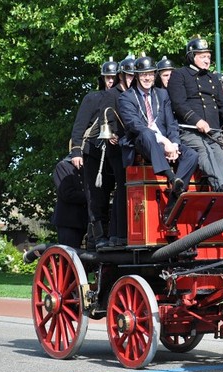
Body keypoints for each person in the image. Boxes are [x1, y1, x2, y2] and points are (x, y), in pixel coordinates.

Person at [119, 55, 198, 221]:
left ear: (154, 75)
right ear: (137, 76)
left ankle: (175, 198)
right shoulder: (126, 97)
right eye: (143, 74)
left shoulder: (162, 95)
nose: (147, 78)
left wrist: (174, 144)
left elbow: (171, 123)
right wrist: (164, 141)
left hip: (166, 142)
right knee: (147, 133)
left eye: (150, 74)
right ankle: (171, 176)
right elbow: (135, 125)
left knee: (192, 155)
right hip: (141, 143)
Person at [167, 37, 223, 193]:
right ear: (192, 56)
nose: (207, 60)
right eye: (202, 56)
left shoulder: (213, 78)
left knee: (219, 152)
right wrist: (197, 121)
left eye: (208, 57)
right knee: (205, 151)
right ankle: (220, 186)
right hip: (190, 131)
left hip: (213, 130)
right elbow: (179, 104)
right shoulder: (179, 75)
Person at [69, 57, 119, 249]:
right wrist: (76, 152)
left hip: (116, 154)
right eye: (107, 78)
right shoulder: (92, 98)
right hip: (94, 154)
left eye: (114, 77)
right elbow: (80, 126)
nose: (111, 81)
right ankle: (98, 237)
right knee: (97, 197)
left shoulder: (124, 98)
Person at [95, 55, 136, 247]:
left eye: (133, 76)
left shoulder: (136, 93)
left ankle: (126, 232)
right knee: (123, 186)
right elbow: (106, 116)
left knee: (130, 188)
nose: (131, 79)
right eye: (128, 76)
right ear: (121, 76)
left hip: (132, 145)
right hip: (116, 147)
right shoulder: (112, 94)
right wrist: (111, 133)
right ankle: (118, 234)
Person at [51, 154, 89, 249]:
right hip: (69, 222)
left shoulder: (89, 167)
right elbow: (67, 194)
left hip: (86, 221)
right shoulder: (63, 166)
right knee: (69, 254)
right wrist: (91, 197)